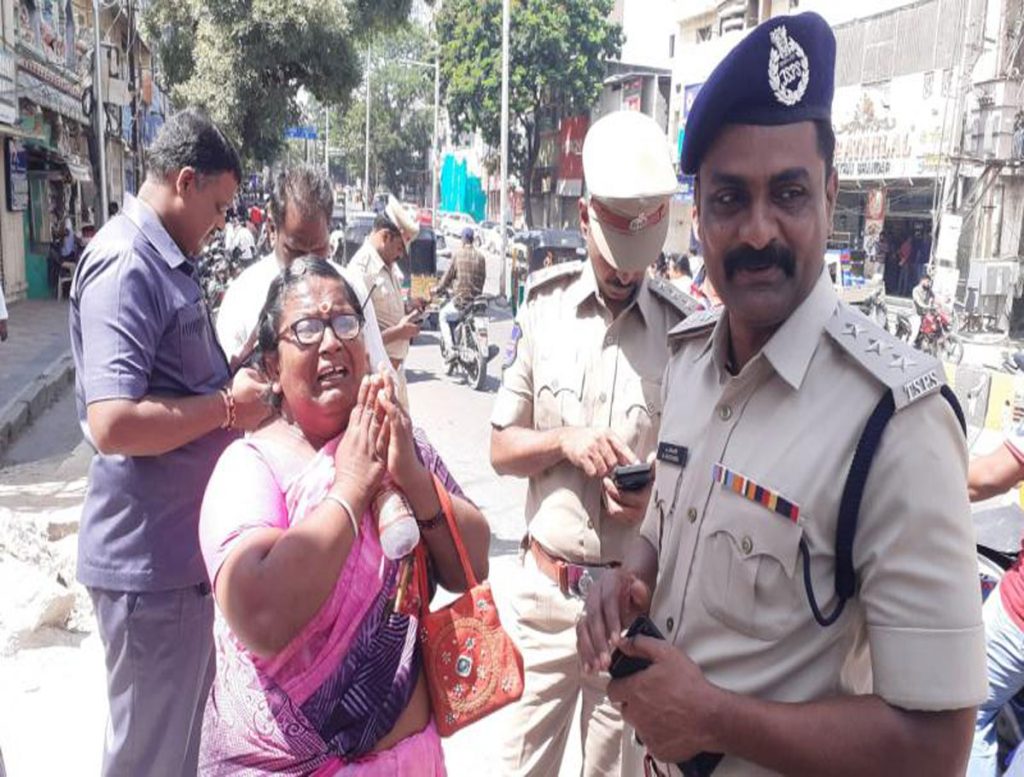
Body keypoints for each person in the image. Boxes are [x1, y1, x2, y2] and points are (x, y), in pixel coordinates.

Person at [577, 14, 986, 776]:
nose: (759, 231)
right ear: (697, 218)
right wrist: (628, 577)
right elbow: (666, 530)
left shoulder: (896, 423)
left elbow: (938, 748)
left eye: (788, 193)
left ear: (830, 194)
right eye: (730, 199)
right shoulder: (692, 359)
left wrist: (713, 718)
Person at [198, 257, 490, 772]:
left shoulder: (400, 443)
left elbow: (474, 565)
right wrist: (352, 489)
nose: (331, 341)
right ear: (270, 366)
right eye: (306, 329)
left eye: (345, 323)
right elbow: (260, 613)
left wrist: (413, 480)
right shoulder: (249, 466)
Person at [492, 109, 698, 777]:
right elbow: (500, 447)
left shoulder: (684, 335)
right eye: (614, 259)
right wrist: (565, 440)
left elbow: (697, 478)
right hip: (547, 604)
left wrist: (651, 505)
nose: (625, 274)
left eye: (639, 262)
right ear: (586, 220)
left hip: (626, 613)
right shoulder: (543, 310)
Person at [69, 108, 273, 776]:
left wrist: (232, 381)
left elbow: (172, 380)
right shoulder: (127, 263)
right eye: (217, 206)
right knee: (149, 759)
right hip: (148, 565)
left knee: (177, 753)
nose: (221, 224)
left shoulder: (169, 262)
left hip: (178, 561)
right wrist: (222, 407)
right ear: (185, 181)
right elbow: (114, 421)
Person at [215, 164, 389, 375]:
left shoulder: (351, 290)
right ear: (272, 229)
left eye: (318, 250)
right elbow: (224, 389)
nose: (308, 266)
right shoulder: (242, 297)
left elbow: (381, 374)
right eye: (296, 251)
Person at [348, 196, 424, 408]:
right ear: (385, 237)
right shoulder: (361, 271)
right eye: (400, 248)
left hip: (395, 374)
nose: (400, 255)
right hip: (377, 380)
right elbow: (356, 340)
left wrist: (409, 307)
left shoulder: (387, 264)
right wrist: (399, 332)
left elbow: (383, 311)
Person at [432, 226, 486, 364]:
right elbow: (482, 279)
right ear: (472, 240)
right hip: (476, 303)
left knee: (443, 315)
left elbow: (447, 277)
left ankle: (451, 350)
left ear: (463, 240)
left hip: (461, 302)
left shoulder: (458, 255)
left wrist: (438, 289)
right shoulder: (481, 257)